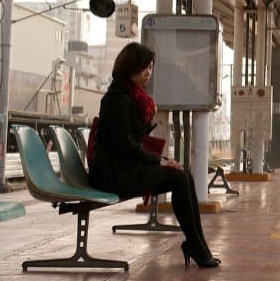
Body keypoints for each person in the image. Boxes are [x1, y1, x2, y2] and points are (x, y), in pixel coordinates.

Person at [88, 42, 220, 268]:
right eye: (144, 68)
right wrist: (160, 160)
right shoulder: (117, 98)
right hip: (114, 172)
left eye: (151, 68)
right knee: (179, 178)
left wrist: (147, 123)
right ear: (130, 67)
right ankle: (197, 247)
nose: (148, 73)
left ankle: (197, 245)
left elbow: (129, 139)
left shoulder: (130, 96)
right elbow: (124, 145)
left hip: (123, 166)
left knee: (185, 177)